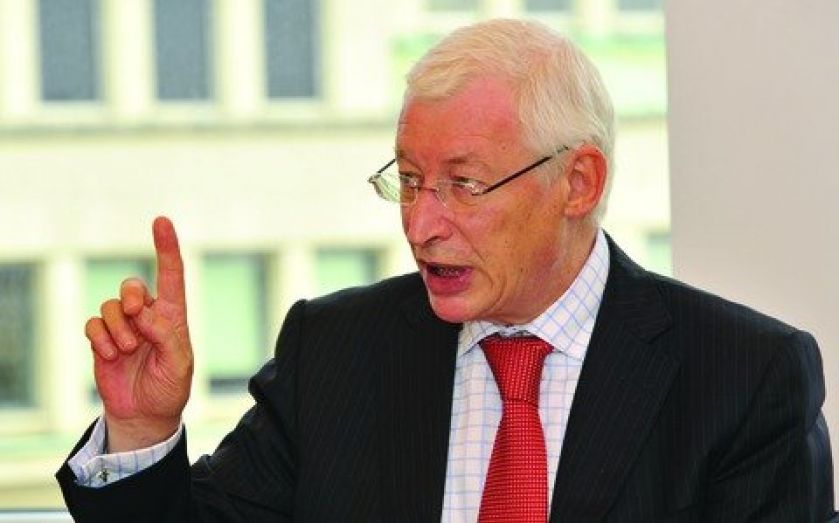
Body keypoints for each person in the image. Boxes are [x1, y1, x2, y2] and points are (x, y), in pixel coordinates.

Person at [56, 18, 836, 522]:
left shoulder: (742, 376)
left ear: (577, 183)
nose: (421, 224)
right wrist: (143, 428)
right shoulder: (335, 350)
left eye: (464, 184)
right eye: (408, 180)